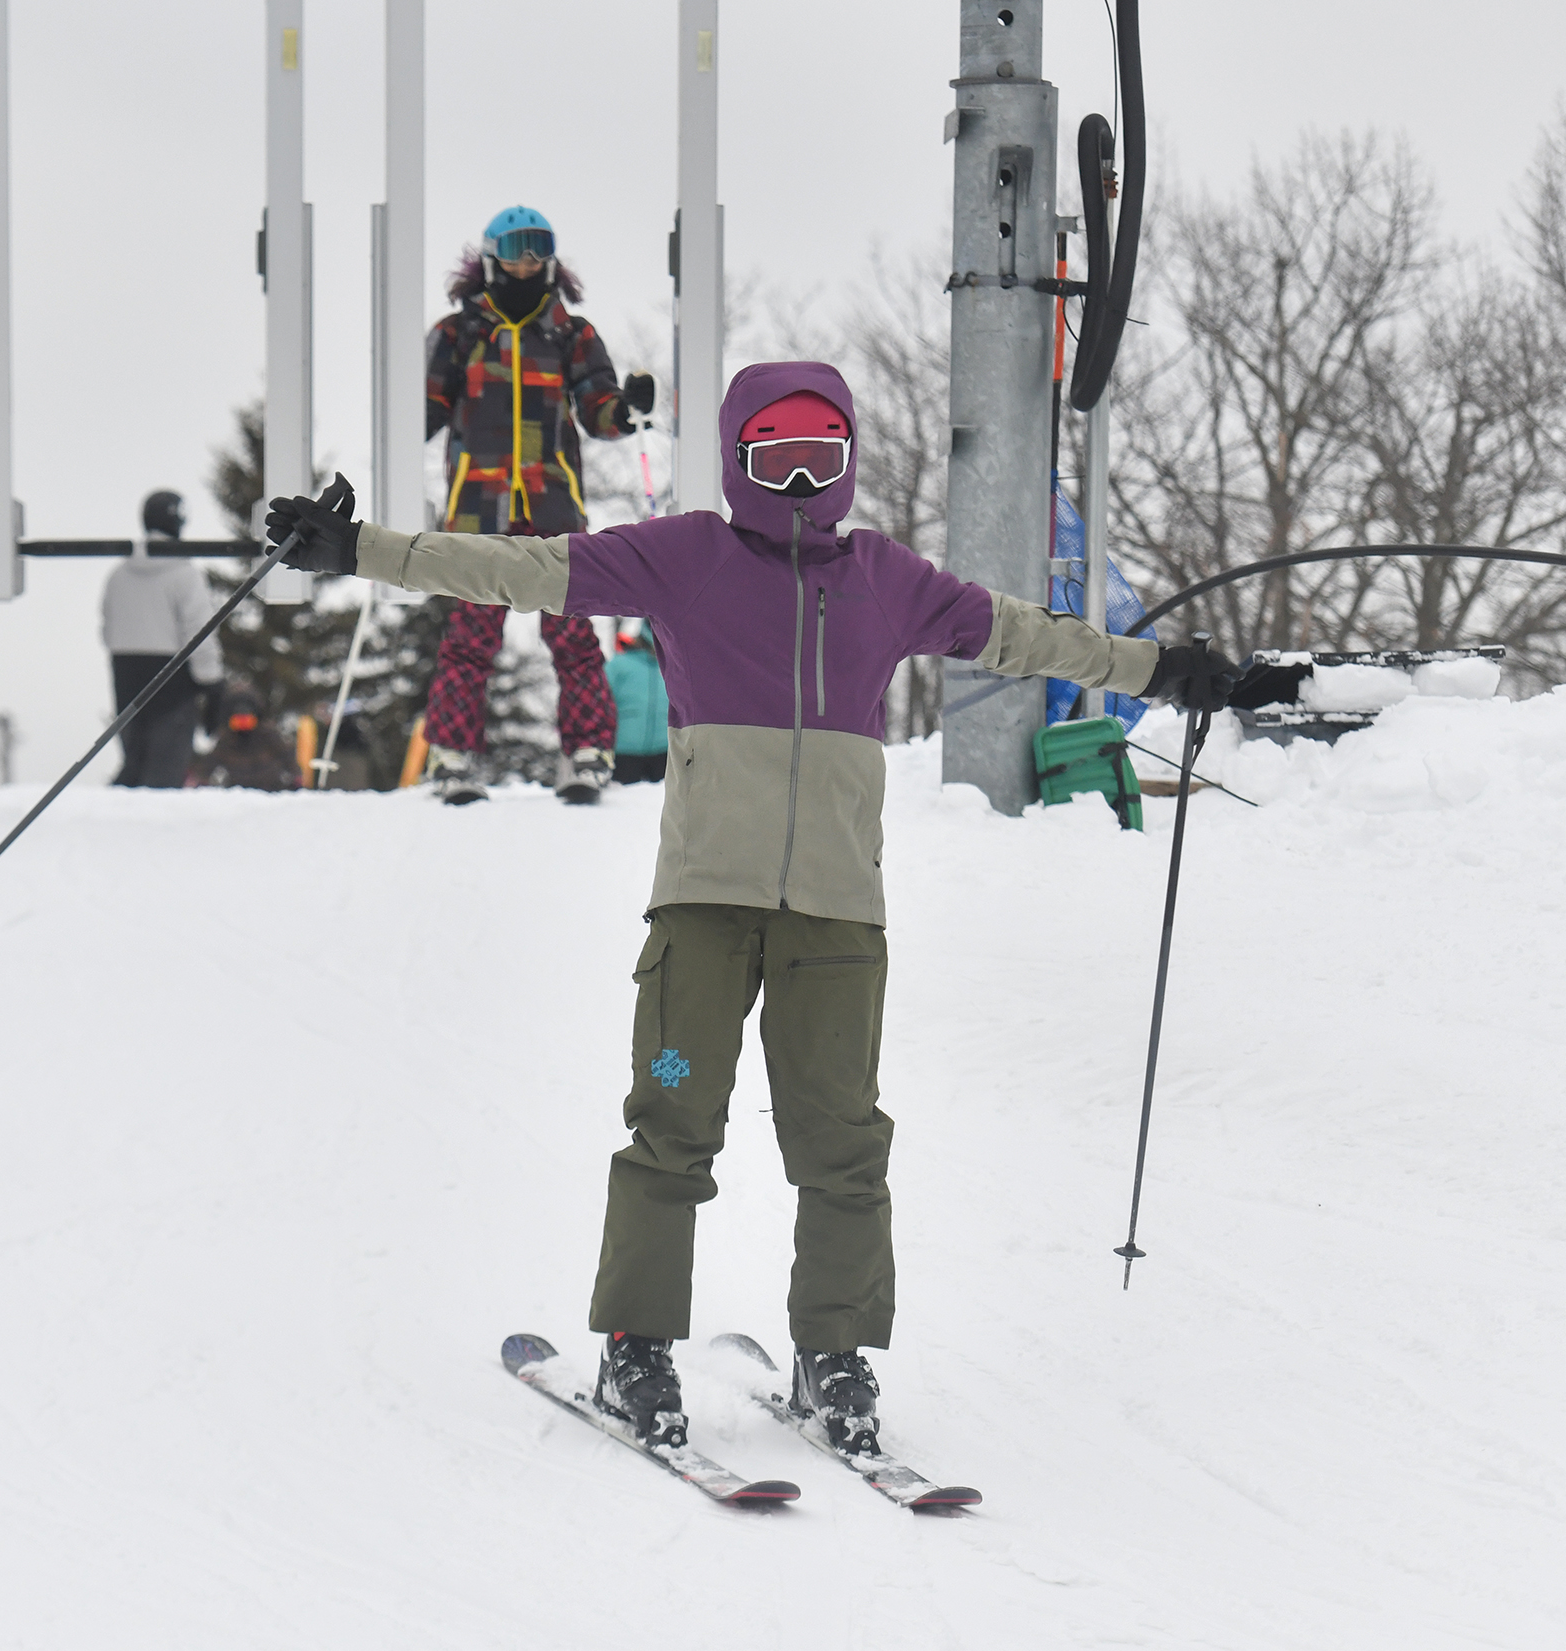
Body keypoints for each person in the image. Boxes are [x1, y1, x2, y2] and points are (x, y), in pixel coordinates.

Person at [262, 360, 1243, 1457]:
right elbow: (518, 569)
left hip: (834, 922)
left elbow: (1030, 635)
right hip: (704, 916)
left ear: (849, 461)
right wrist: (356, 550)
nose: (797, 479)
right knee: (672, 1121)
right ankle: (637, 1345)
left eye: (820, 456)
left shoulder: (887, 578)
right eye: (773, 458)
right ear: (736, 461)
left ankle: (836, 1359)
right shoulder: (682, 559)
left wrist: (1168, 671)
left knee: (842, 1141)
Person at [417, 206, 656, 806]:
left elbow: (598, 406)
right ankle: (453, 756)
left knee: (571, 632)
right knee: (471, 636)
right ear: (492, 255)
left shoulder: (569, 333)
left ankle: (587, 751)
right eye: (516, 248)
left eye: (538, 248)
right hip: (479, 507)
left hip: (552, 507)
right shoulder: (460, 333)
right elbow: (425, 408)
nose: (527, 260)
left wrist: (624, 408)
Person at [102, 489, 222, 788]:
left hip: (126, 677)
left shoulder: (119, 574)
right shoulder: (184, 574)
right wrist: (212, 683)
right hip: (173, 682)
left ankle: (115, 828)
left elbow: (106, 630)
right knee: (164, 778)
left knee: (134, 768)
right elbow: (199, 633)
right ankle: (156, 833)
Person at [190, 683, 298, 791]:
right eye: (238, 721)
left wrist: (297, 778)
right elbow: (210, 762)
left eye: (247, 720)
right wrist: (200, 780)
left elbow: (287, 755)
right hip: (239, 791)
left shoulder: (268, 734)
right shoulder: (226, 739)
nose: (243, 726)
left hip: (271, 789)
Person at [604, 623, 669, 784]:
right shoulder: (619, 665)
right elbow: (600, 705)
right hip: (624, 753)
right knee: (623, 805)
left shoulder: (674, 667)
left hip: (665, 753)